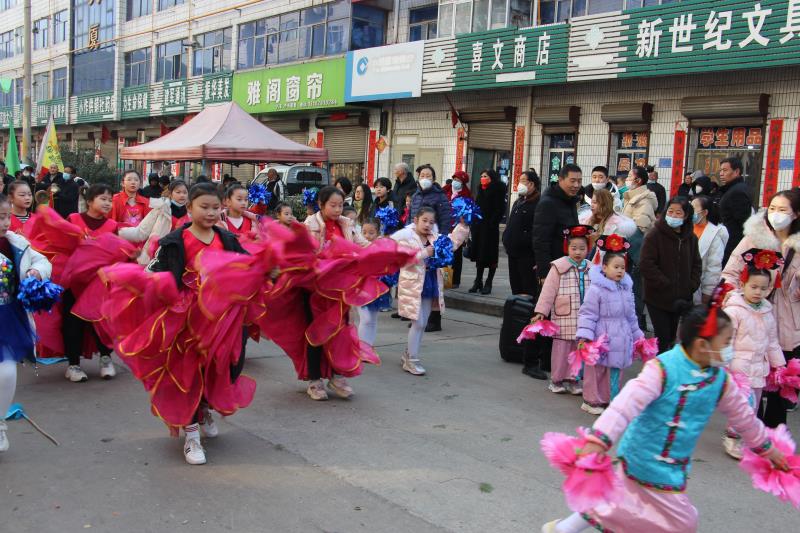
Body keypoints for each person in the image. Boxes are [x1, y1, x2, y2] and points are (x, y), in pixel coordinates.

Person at [541, 302, 787, 533]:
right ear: (702, 345)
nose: (730, 347)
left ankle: (563, 529)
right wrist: (599, 440)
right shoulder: (662, 368)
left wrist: (767, 449)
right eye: (726, 341)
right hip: (643, 456)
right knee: (683, 522)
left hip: (675, 463)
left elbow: (744, 417)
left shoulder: (720, 380)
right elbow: (624, 406)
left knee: (616, 501)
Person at [103, 183, 252, 465]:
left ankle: (205, 408)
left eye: (214, 207)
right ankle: (192, 435)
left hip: (222, 321)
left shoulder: (227, 238)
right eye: (203, 207)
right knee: (189, 376)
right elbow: (153, 273)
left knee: (226, 369)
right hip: (185, 322)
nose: (210, 212)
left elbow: (245, 266)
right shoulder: (174, 241)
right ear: (189, 208)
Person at [721, 190, 800, 428]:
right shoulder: (755, 238)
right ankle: (747, 428)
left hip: (789, 319)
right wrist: (739, 301)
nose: (775, 214)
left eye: (782, 210)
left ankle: (774, 428)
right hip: (753, 317)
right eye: (772, 208)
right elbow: (729, 275)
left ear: (796, 214)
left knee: (781, 376)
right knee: (751, 379)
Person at [302, 186, 368, 400]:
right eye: (333, 205)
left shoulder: (347, 225)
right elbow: (303, 254)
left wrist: (385, 248)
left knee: (340, 332)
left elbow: (362, 245)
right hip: (315, 289)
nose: (338, 209)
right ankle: (314, 380)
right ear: (321, 205)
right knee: (316, 335)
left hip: (339, 290)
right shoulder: (309, 225)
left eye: (340, 205)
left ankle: (336, 375)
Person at [0, 193, 52, 453]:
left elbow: (43, 261)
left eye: (7, 216)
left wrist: (36, 272)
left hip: (9, 317)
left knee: (8, 372)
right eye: (0, 217)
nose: (5, 222)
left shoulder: (16, 242)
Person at [392, 206, 469, 376]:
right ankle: (411, 359)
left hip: (430, 282)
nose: (427, 225)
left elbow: (451, 243)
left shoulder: (435, 237)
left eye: (431, 222)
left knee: (423, 322)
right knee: (418, 322)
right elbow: (402, 260)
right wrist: (424, 253)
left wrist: (462, 226)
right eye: (424, 220)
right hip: (413, 284)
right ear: (416, 220)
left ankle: (409, 354)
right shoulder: (406, 237)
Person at [721, 257, 785, 459]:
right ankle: (732, 438)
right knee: (742, 406)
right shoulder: (734, 310)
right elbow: (725, 341)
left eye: (763, 288)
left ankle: (747, 440)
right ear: (743, 284)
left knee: (754, 407)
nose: (758, 292)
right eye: (754, 287)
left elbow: (772, 341)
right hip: (739, 369)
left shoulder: (767, 311)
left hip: (759, 368)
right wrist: (725, 365)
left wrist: (780, 366)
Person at [576, 235, 643, 415]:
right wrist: (585, 336)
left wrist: (638, 337)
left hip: (621, 336)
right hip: (601, 337)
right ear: (604, 267)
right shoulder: (596, 289)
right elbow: (587, 313)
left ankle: (609, 399)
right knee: (596, 370)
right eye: (616, 267)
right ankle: (591, 400)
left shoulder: (626, 289)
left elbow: (631, 315)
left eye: (622, 267)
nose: (620, 271)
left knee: (615, 370)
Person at [61, 184, 120, 382]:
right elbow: (63, 248)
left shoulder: (112, 225)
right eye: (103, 198)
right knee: (73, 324)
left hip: (99, 284)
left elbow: (116, 254)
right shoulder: (73, 220)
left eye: (110, 200)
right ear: (89, 201)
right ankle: (73, 365)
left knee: (102, 322)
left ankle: (105, 359)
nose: (107, 203)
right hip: (75, 284)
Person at [532, 225, 593, 394]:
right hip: (563, 316)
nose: (578, 252)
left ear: (588, 249)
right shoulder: (558, 267)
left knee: (578, 350)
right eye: (574, 248)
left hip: (584, 319)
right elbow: (548, 292)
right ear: (567, 248)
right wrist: (541, 312)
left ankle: (574, 380)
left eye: (582, 248)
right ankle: (557, 380)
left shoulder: (591, 268)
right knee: (561, 351)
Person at [640, 196, 702, 352]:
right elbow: (647, 264)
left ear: (686, 215)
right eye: (670, 212)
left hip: (681, 299)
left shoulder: (691, 238)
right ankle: (660, 372)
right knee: (663, 338)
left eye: (678, 213)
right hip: (658, 298)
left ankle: (668, 370)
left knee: (672, 338)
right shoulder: (655, 235)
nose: (673, 216)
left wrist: (691, 285)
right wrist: (665, 283)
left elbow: (696, 264)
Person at [409, 165, 451, 332]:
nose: (425, 177)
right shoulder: (415, 195)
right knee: (418, 281)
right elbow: (411, 219)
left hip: (433, 242)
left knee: (434, 283)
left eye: (428, 175)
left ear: (433, 179)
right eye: (422, 175)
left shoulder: (440, 196)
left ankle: (434, 319)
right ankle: (419, 317)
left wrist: (442, 240)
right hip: (417, 241)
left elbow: (446, 219)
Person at [119, 180, 190, 264]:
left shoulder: (192, 214)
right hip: (156, 257)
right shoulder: (160, 209)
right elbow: (140, 232)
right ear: (170, 194)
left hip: (183, 260)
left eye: (185, 192)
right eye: (178, 192)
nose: (182, 195)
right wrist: (117, 232)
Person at [532, 163, 581, 282]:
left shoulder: (570, 200)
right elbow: (540, 240)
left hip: (569, 265)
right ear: (560, 180)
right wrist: (544, 272)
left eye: (579, 181)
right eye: (572, 181)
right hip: (554, 268)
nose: (576, 185)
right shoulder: (548, 203)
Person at [503, 170, 540, 296]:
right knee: (516, 287)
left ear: (532, 184)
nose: (520, 184)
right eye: (519, 181)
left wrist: (523, 239)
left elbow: (537, 230)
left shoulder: (538, 203)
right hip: (513, 252)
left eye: (523, 181)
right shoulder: (518, 201)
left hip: (527, 255)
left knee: (527, 289)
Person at [468, 169, 506, 295]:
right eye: (482, 176)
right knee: (479, 254)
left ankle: (488, 282)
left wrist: (492, 223)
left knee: (490, 255)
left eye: (485, 176)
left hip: (490, 229)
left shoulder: (498, 189)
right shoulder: (480, 189)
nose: (482, 178)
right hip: (479, 227)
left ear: (492, 178)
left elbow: (499, 209)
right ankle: (478, 281)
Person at [579, 188, 636, 262]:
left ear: (605, 204)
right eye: (592, 202)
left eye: (595, 202)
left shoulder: (617, 225)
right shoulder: (586, 221)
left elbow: (619, 252)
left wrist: (599, 240)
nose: (592, 205)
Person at [356, 219, 390, 346]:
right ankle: (361, 348)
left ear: (377, 233)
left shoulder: (382, 247)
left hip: (375, 288)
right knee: (366, 319)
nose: (367, 236)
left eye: (371, 233)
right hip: (360, 288)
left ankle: (368, 346)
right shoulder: (358, 246)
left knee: (373, 319)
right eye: (364, 232)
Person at [690, 195, 728, 304]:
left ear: (704, 212)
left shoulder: (714, 234)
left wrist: (707, 292)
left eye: (694, 208)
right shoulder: (687, 228)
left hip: (699, 288)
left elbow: (714, 266)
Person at [718, 157, 753, 264]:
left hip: (733, 244)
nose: (721, 174)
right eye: (720, 170)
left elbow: (743, 223)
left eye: (725, 170)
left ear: (736, 171)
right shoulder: (733, 189)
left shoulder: (737, 192)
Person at [445, 171, 472, 288]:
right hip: (445, 226)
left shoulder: (466, 195)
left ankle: (455, 280)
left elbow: (470, 212)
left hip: (458, 229)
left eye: (459, 180)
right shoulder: (446, 190)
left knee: (456, 255)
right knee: (444, 253)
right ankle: (445, 279)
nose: (455, 182)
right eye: (454, 179)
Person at [621, 166, 657, 234]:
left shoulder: (643, 201)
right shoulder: (632, 197)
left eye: (629, 176)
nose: (627, 179)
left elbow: (640, 229)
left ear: (638, 180)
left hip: (632, 241)